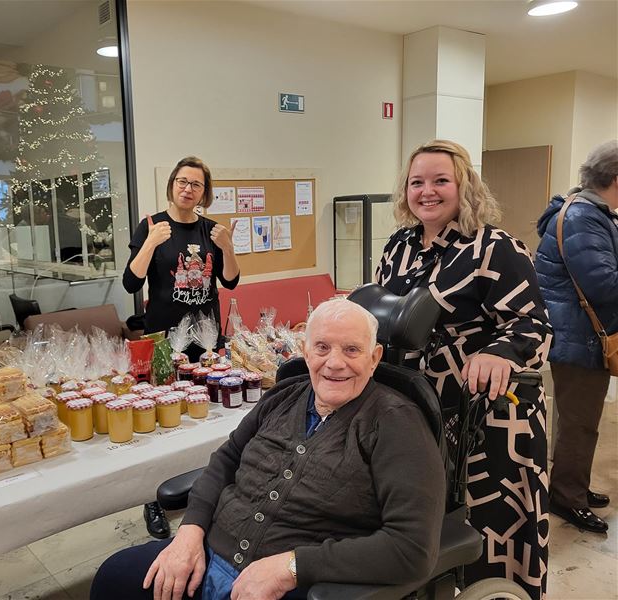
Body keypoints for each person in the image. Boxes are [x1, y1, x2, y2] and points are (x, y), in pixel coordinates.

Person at [90, 299, 446, 600]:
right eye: (322, 347)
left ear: (374, 357)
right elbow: (227, 460)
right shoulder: (283, 396)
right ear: (305, 351)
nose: (334, 363)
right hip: (205, 556)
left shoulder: (397, 423)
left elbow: (411, 549)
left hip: (291, 585)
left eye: (352, 350)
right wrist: (189, 533)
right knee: (113, 577)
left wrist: (292, 567)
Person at [375, 139, 553, 600]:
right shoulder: (399, 246)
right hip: (419, 407)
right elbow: (384, 309)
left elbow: (534, 322)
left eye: (440, 181)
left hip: (487, 413)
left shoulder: (494, 247)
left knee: (489, 524)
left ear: (464, 186)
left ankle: (500, 593)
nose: (427, 191)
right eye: (417, 182)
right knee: (427, 518)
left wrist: (500, 352)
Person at [123, 156, 240, 540]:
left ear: (205, 192)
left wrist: (228, 247)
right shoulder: (152, 226)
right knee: (164, 422)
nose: (188, 189)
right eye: (182, 181)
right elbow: (129, 282)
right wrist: (150, 245)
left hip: (206, 339)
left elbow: (230, 281)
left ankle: (206, 490)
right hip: (163, 339)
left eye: (197, 184)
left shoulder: (211, 230)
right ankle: (153, 500)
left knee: (208, 416)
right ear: (172, 184)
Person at [534, 140, 618, 534]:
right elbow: (604, 284)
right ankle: (568, 499)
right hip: (579, 338)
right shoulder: (585, 217)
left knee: (577, 420)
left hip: (576, 335)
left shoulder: (586, 212)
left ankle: (573, 485)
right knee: (578, 423)